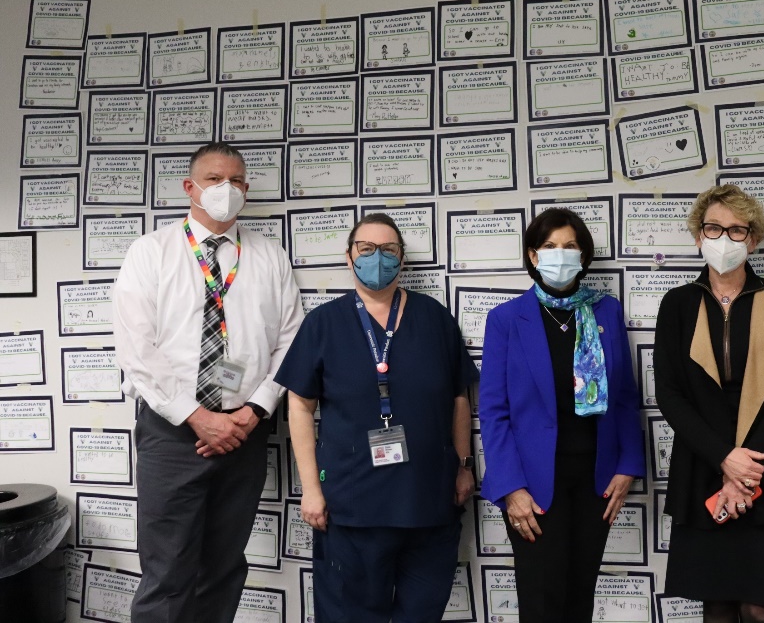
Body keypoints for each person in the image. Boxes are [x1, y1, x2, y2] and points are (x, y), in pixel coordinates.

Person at [113, 142, 304, 623]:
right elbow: (136, 348)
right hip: (172, 431)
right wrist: (196, 416)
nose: (228, 189)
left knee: (223, 567)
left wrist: (254, 410)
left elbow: (291, 340)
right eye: (215, 179)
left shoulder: (269, 256)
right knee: (167, 571)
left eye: (237, 181)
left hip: (245, 431)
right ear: (190, 188)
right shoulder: (150, 252)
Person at [274, 213, 477, 622]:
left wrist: (464, 466)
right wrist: (311, 489)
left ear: (402, 259)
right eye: (366, 250)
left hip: (429, 502)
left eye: (388, 250)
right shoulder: (324, 323)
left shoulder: (435, 318)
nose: (377, 258)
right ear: (349, 258)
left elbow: (459, 397)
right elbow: (299, 405)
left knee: (422, 612)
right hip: (352, 506)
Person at [479, 208, 646, 623]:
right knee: (542, 602)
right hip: (533, 485)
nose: (560, 254)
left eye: (570, 246)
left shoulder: (606, 311)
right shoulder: (505, 319)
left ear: (584, 255)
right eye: (550, 247)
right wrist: (511, 487)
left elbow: (624, 395)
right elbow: (494, 411)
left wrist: (627, 465)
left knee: (579, 600)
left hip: (597, 480)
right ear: (533, 256)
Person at [653, 185, 764, 623]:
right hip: (703, 463)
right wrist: (724, 459)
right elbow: (669, 392)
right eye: (714, 228)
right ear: (698, 235)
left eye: (737, 230)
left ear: (753, 239)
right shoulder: (677, 304)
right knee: (716, 605)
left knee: (760, 607)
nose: (725, 238)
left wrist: (746, 468)